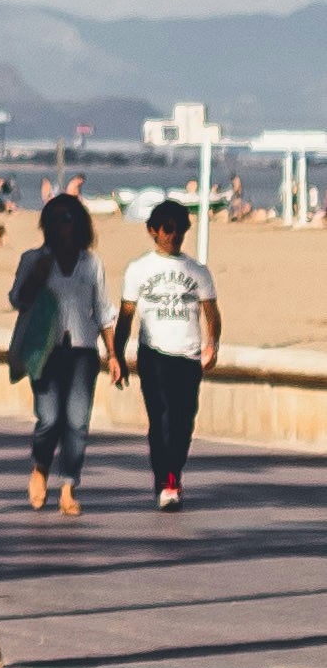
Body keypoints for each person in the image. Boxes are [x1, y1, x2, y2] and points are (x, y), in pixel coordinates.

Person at [117, 195, 221, 511]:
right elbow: (126, 314)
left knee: (183, 421)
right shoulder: (138, 269)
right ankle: (168, 480)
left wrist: (212, 344)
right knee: (160, 419)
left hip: (188, 355)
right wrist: (117, 354)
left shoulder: (198, 271)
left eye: (179, 229)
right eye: (167, 228)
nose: (173, 235)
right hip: (153, 353)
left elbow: (212, 312)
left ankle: (172, 472)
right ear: (152, 230)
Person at [11, 191, 101, 513]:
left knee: (77, 421)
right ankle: (40, 467)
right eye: (55, 219)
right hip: (44, 351)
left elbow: (102, 309)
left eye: (69, 218)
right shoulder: (32, 259)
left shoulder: (91, 264)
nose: (63, 225)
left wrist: (115, 353)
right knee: (49, 419)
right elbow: (17, 300)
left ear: (79, 224)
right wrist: (37, 275)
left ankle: (67, 488)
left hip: (82, 350)